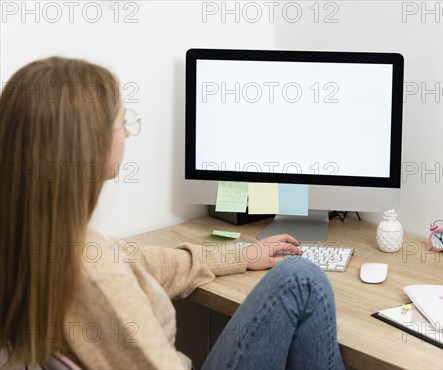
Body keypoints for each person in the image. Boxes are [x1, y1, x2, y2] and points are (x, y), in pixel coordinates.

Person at [0, 57, 344, 369]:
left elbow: (138, 261)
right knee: (301, 279)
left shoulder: (34, 236)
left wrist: (241, 255)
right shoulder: (97, 274)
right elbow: (114, 275)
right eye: (122, 122)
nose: (129, 133)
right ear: (88, 143)